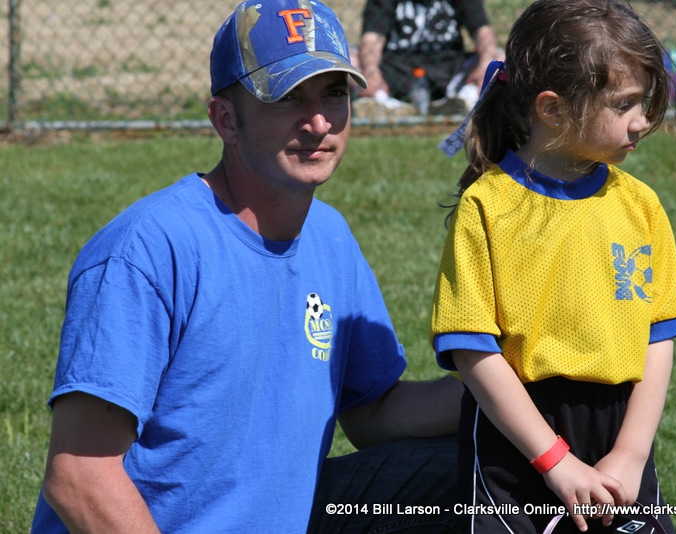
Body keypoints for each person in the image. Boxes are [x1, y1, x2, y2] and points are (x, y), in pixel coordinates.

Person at [30, 1, 462, 532]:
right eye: (288, 97)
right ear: (225, 119)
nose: (320, 122)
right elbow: (80, 477)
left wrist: (515, 391)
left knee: (487, 477)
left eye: (334, 93)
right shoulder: (148, 250)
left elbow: (373, 413)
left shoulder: (329, 236)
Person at [429, 0, 676, 532]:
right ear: (552, 109)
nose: (642, 121)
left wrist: (631, 455)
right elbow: (472, 349)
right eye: (624, 104)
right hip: (516, 437)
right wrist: (554, 461)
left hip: (619, 431)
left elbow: (658, 335)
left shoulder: (640, 206)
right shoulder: (487, 207)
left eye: (644, 102)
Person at [355, 0, 503, 113]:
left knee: (499, 58)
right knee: (351, 58)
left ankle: (464, 100)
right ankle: (382, 103)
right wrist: (371, 72)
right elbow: (372, 38)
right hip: (395, 69)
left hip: (450, 69)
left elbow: (483, 33)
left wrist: (483, 67)